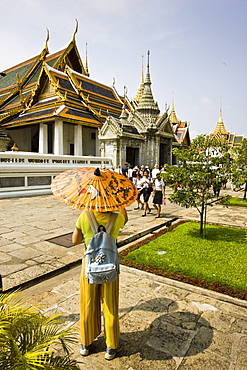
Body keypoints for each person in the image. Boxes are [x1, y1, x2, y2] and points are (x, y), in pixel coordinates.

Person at [72, 207, 128, 360]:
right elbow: (125, 220)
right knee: (110, 305)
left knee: (87, 303)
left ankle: (86, 343)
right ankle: (111, 346)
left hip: (88, 268)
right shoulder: (117, 219)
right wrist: (122, 205)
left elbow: (75, 240)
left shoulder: (84, 216)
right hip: (110, 267)